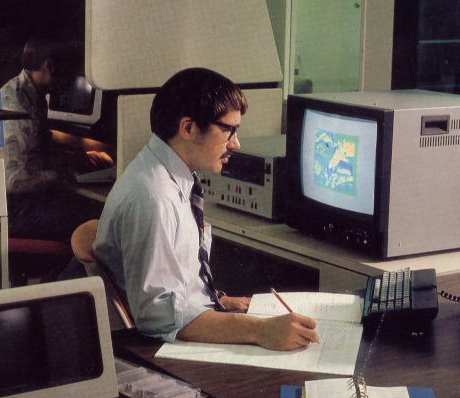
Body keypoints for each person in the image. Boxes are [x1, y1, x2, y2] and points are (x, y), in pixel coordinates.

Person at [93, 67, 318, 350]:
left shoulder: (170, 175)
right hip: (153, 344)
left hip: (178, 322)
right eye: (228, 130)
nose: (236, 144)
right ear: (188, 128)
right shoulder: (154, 197)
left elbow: (176, 281)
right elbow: (158, 318)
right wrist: (260, 330)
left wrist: (217, 300)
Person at [0, 37, 113, 242]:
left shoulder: (32, 95)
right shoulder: (15, 107)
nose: (66, 82)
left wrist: (76, 159)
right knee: (93, 220)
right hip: (14, 210)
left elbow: (38, 146)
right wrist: (61, 174)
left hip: (25, 201)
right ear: (48, 66)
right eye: (66, 73)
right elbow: (14, 182)